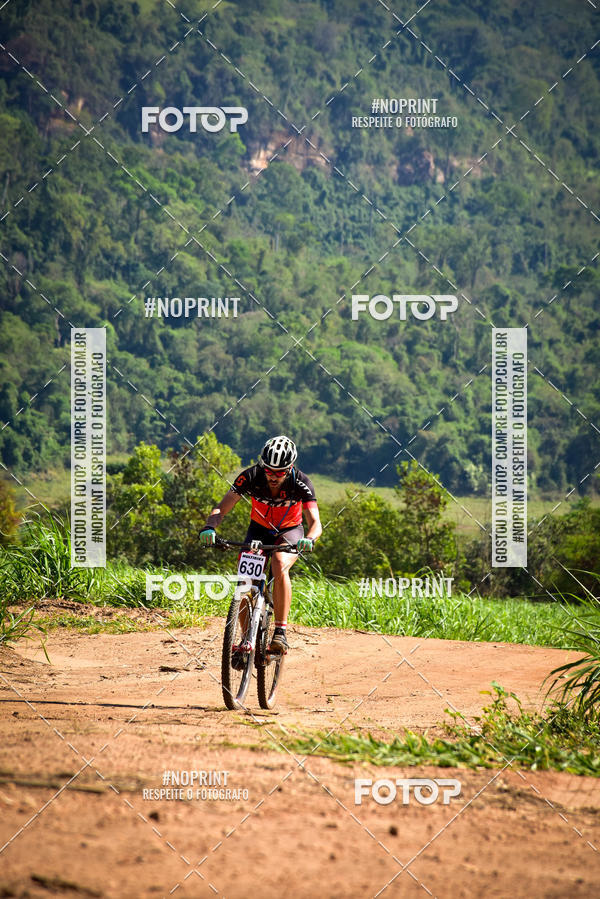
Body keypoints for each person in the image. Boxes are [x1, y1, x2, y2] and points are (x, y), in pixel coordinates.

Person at [199, 435, 322, 654]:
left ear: (290, 468)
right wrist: (210, 527)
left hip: (290, 531)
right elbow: (222, 508)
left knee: (278, 561)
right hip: (258, 530)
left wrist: (309, 539)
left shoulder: (301, 481)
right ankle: (246, 642)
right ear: (262, 465)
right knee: (246, 581)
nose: (273, 477)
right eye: (269, 470)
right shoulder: (251, 476)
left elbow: (315, 523)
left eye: (280, 472)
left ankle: (280, 633)